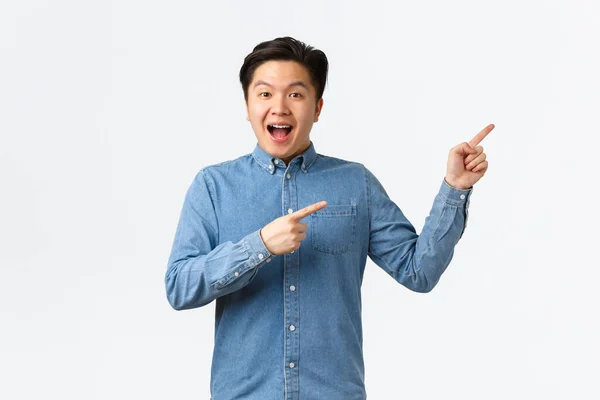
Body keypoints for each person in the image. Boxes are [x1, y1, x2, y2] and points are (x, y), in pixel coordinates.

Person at [165, 36, 493, 400]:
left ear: (317, 107)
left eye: (295, 94)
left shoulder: (356, 183)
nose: (279, 108)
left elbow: (419, 272)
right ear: (247, 105)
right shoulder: (213, 186)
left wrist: (455, 188)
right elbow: (179, 287)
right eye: (265, 94)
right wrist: (258, 246)